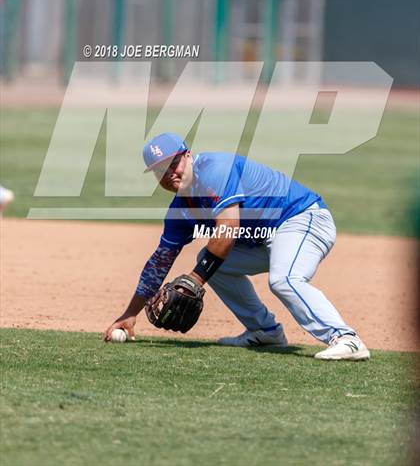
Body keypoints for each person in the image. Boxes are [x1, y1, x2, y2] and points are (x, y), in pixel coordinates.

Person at [105, 133, 370, 361]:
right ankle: (265, 332)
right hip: (266, 238)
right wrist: (130, 314)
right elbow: (159, 262)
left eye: (174, 162)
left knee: (284, 279)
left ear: (188, 155)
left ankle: (345, 338)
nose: (171, 173)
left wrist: (195, 279)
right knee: (212, 263)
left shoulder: (214, 169)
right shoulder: (180, 211)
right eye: (161, 170)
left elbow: (228, 230)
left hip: (302, 218)